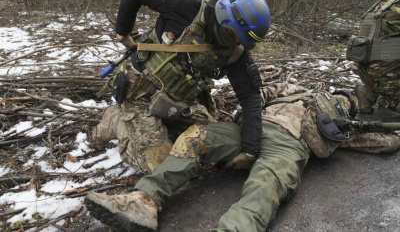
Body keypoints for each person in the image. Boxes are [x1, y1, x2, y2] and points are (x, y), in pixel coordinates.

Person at [84, 83, 400, 231]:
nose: (343, 100)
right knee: (198, 137)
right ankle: (144, 200)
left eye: (349, 101)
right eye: (343, 95)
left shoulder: (344, 123)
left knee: (266, 186)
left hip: (288, 146)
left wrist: (391, 137)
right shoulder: (298, 90)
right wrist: (244, 116)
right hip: (250, 130)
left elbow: (377, 142)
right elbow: (262, 92)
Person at [90, 0, 271, 175]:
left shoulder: (235, 51)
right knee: (164, 170)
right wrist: (123, 33)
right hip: (139, 96)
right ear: (226, 20)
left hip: (176, 105)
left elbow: (250, 96)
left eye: (242, 41)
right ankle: (115, 120)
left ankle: (163, 131)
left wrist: (250, 150)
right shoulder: (185, 3)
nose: (237, 44)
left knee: (219, 144)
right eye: (236, 37)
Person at [347, 0, 400, 114]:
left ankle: (369, 93)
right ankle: (386, 100)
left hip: (369, 77)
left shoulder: (380, 5)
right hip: (390, 81)